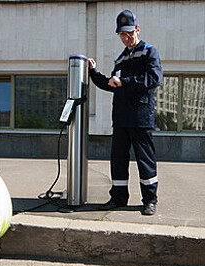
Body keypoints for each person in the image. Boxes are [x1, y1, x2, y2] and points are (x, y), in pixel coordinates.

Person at [88, 9, 163, 215]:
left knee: (145, 161)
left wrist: (126, 81)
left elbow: (154, 78)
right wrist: (94, 73)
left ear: (137, 29)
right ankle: (118, 198)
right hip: (121, 118)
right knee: (118, 161)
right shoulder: (120, 59)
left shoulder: (149, 51)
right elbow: (112, 84)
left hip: (140, 117)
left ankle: (149, 200)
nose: (126, 37)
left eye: (129, 32)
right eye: (122, 34)